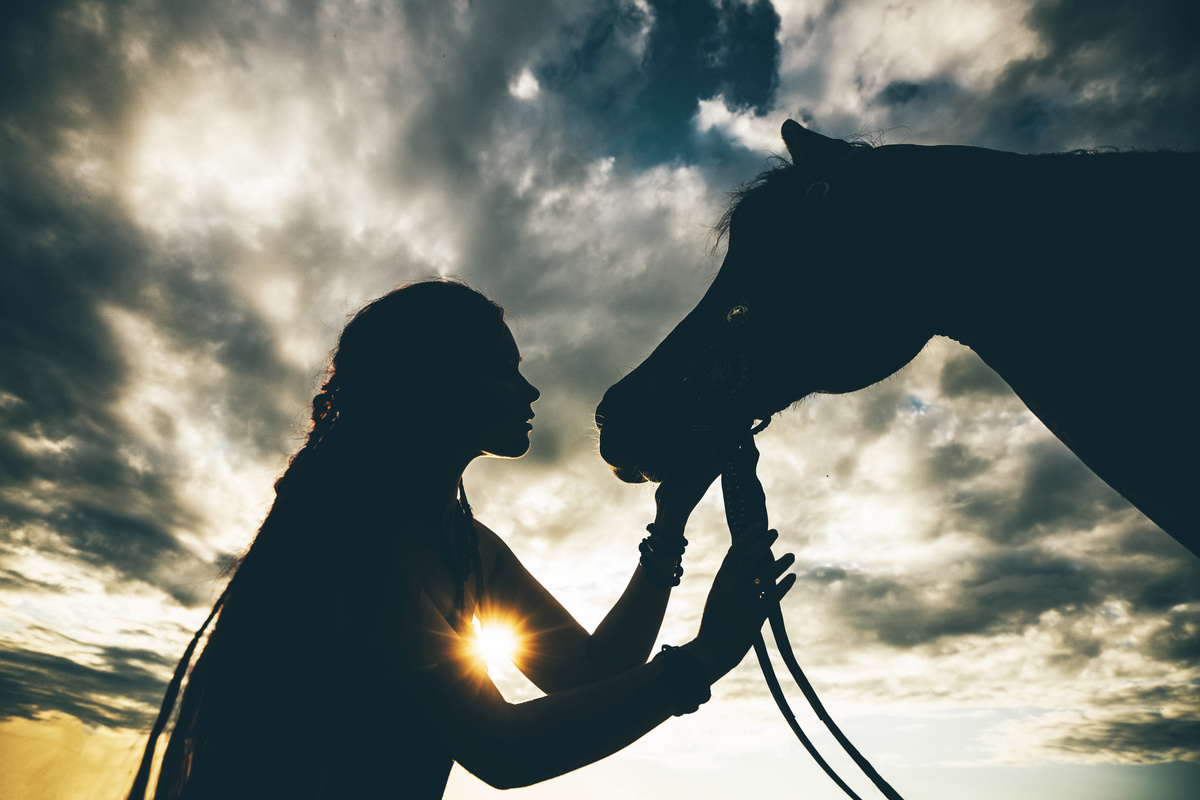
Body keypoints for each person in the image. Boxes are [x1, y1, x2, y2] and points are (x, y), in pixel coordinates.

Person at [126, 278, 795, 799]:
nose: (530, 389)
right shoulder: (355, 549)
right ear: (428, 388)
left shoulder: (469, 546)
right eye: (504, 369)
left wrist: (668, 526)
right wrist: (705, 657)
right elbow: (504, 750)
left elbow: (594, 673)